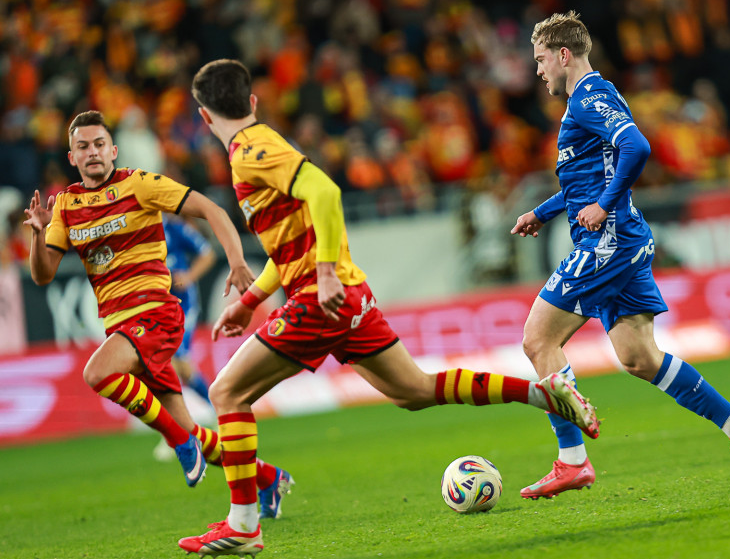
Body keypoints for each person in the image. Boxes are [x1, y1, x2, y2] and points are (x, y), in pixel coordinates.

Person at [178, 59, 599, 557]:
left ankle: (244, 525)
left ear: (204, 116)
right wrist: (249, 301)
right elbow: (290, 243)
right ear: (251, 101)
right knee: (413, 391)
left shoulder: (250, 150)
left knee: (227, 392)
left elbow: (325, 190)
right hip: (346, 295)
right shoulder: (261, 145)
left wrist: (325, 272)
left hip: (320, 297)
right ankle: (544, 394)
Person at [510, 12, 730, 500]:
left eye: (541, 60)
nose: (538, 70)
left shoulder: (588, 99)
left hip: (608, 242)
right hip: (624, 239)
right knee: (639, 357)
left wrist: (604, 205)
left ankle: (572, 461)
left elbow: (637, 146)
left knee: (538, 339)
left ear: (563, 55)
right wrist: (542, 212)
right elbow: (585, 180)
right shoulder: (595, 96)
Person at [23, 110, 294, 519]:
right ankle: (267, 477)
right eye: (83, 146)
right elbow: (43, 275)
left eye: (99, 144)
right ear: (72, 157)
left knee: (97, 374)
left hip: (155, 313)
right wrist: (38, 234)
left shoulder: (139, 184)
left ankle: (179, 444)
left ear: (113, 150)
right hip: (121, 326)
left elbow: (212, 210)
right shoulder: (65, 206)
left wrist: (237, 261)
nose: (92, 152)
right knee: (190, 428)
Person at [153, 214, 217, 462]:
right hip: (156, 309)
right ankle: (183, 427)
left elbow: (207, 253)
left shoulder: (173, 227)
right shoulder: (138, 226)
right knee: (173, 369)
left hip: (182, 305)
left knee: (178, 364)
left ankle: (179, 430)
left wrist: (188, 276)